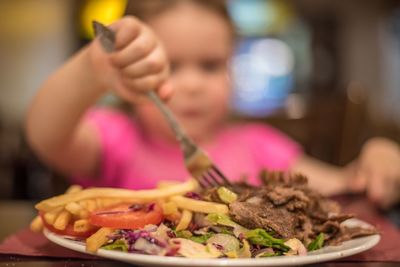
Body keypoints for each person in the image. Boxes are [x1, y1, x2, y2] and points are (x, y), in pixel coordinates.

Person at [25, 0, 400, 209]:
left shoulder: (260, 146)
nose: (191, 85)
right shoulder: (116, 140)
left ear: (231, 68)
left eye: (209, 65)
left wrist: (377, 160)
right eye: (169, 66)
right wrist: (93, 70)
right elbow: (44, 134)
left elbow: (345, 189)